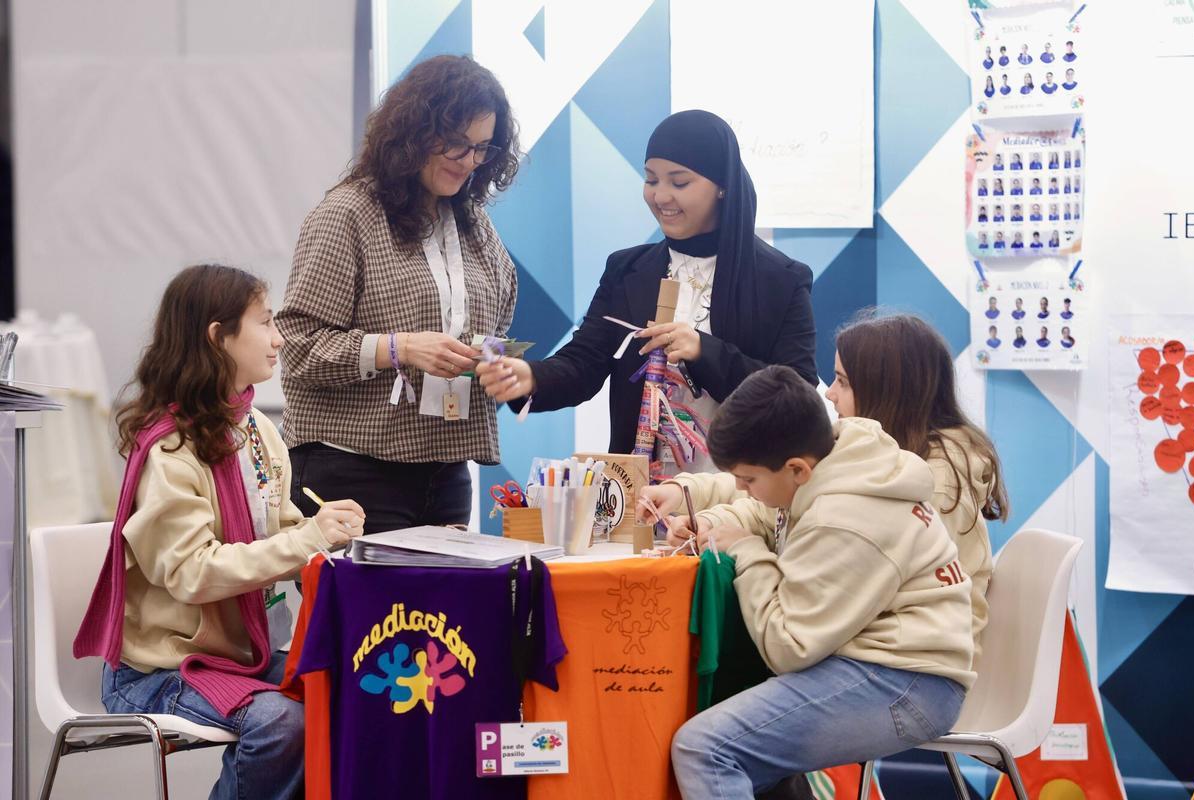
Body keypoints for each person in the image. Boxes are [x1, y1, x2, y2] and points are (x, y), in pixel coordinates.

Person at [74, 265, 367, 800]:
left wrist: (335, 543)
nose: (279, 338)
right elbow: (193, 574)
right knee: (281, 722)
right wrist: (309, 538)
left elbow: (277, 535)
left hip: (239, 654)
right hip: (160, 669)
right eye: (265, 322)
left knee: (357, 686)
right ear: (218, 336)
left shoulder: (258, 431)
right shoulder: (169, 449)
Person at [659, 367, 974, 798]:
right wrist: (711, 523)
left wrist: (747, 550)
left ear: (796, 470)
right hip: (884, 664)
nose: (742, 490)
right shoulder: (836, 463)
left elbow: (788, 648)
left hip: (910, 685)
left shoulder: (844, 519)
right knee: (741, 731)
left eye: (749, 480)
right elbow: (761, 516)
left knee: (706, 748)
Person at [478, 110, 818, 468]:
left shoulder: (781, 279)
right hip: (640, 500)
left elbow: (798, 397)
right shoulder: (628, 270)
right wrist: (531, 377)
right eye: (651, 180)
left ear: (722, 185)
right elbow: (584, 363)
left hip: (738, 499)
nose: (661, 196)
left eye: (679, 182)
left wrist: (705, 351)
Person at [277, 55, 521, 532]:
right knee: (375, 611)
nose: (469, 162)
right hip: (350, 472)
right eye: (455, 144)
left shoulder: (473, 225)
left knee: (446, 611)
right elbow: (299, 347)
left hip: (447, 471)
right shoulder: (347, 214)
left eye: (482, 149)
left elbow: (494, 328)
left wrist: (496, 360)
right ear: (413, 133)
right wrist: (399, 348)